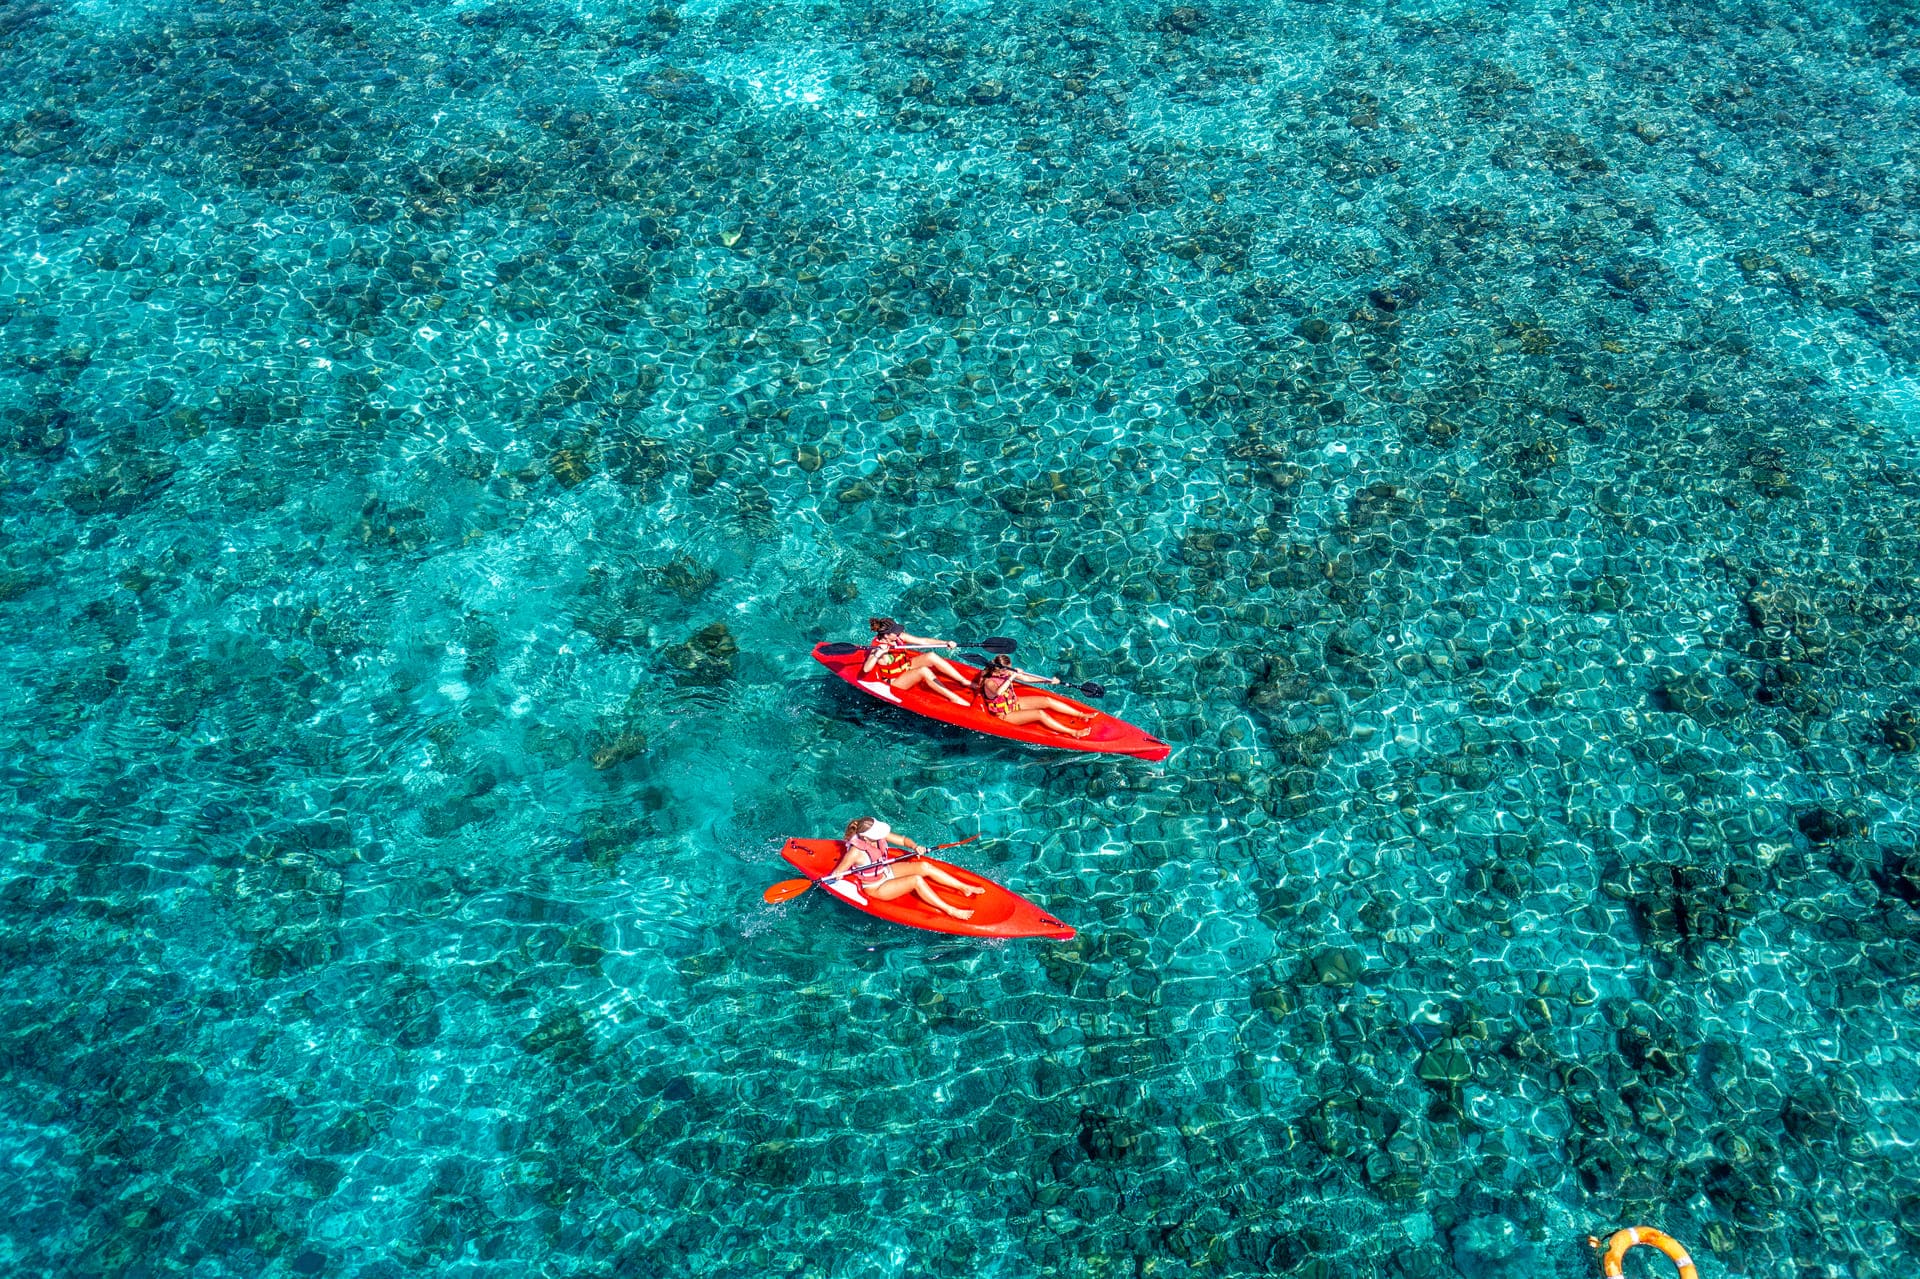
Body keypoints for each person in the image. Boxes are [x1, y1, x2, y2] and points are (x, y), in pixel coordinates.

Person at [827, 817, 983, 920]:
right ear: (866, 838)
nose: (882, 835)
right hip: (876, 887)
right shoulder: (855, 852)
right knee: (916, 880)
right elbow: (838, 872)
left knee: (924, 866)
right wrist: (838, 875)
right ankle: (951, 910)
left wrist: (915, 846)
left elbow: (902, 840)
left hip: (886, 871)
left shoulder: (878, 836)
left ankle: (964, 887)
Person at [976, 654, 1094, 738]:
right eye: (1009, 669)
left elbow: (1027, 678)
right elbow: (998, 692)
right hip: (1004, 715)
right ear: (1001, 670)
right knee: (1040, 714)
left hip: (1014, 703)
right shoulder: (989, 682)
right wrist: (1012, 677)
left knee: (1047, 700)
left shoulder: (1006, 672)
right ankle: (1073, 732)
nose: (1011, 671)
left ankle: (1081, 715)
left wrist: (1047, 681)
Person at [860, 617, 969, 707]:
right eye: (896, 632)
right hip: (895, 682)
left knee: (931, 656)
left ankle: (963, 681)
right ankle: (954, 698)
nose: (899, 633)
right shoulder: (877, 648)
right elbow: (866, 669)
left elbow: (923, 641)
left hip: (906, 666)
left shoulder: (899, 637)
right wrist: (877, 654)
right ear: (886, 635)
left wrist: (946, 643)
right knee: (924, 671)